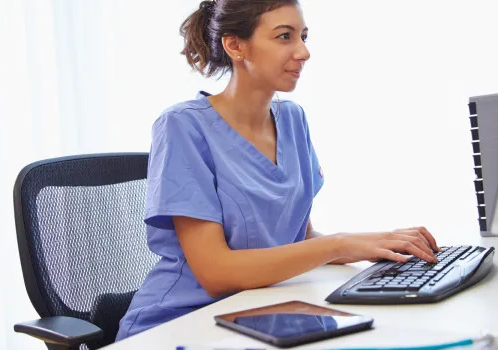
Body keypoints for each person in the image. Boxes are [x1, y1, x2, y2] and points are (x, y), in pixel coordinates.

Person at [115, 0, 441, 341]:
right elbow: (215, 271)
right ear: (235, 45)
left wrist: (375, 246)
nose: (303, 52)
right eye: (284, 37)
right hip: (179, 325)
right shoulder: (182, 126)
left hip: (262, 312)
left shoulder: (293, 119)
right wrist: (339, 245)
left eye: (303, 36)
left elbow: (300, 237)